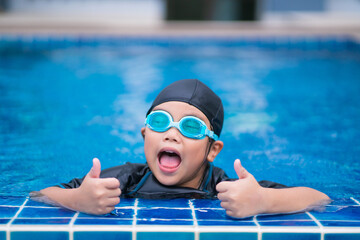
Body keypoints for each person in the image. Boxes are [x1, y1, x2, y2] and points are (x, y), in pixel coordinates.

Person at [36, 79, 330, 218]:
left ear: (212, 150)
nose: (172, 135)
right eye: (161, 122)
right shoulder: (125, 179)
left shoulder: (225, 187)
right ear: (144, 135)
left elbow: (319, 198)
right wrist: (78, 199)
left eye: (190, 127)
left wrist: (264, 201)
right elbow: (40, 195)